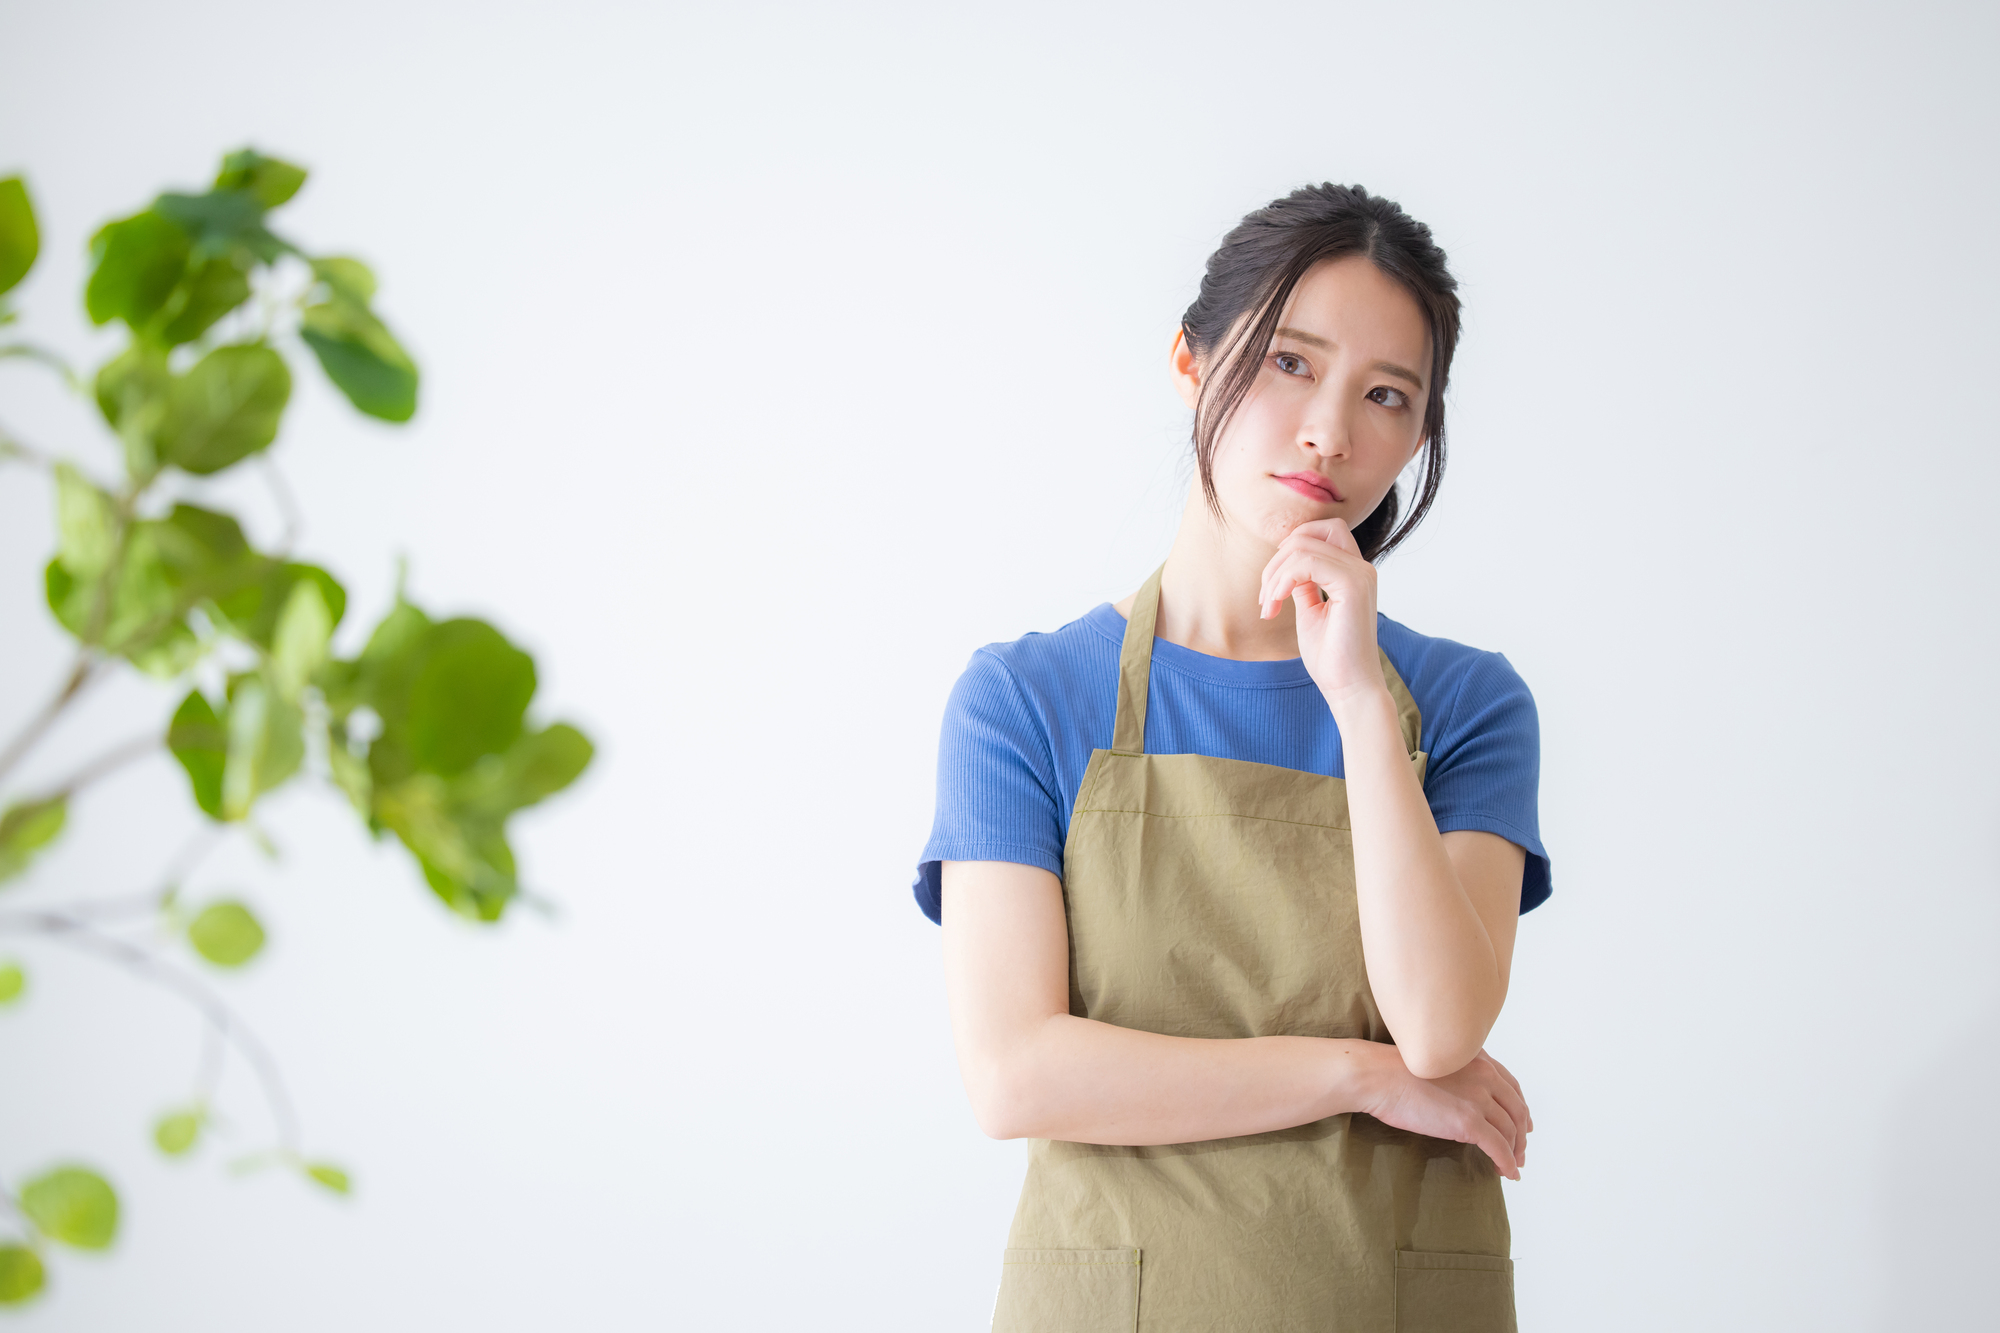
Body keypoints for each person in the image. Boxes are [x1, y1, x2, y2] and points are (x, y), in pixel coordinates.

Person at [914, 183, 1550, 1332]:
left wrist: (1356, 698)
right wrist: (1360, 1076)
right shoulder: (1021, 700)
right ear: (1190, 360)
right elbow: (1015, 1073)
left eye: (1386, 396)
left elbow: (1440, 1028)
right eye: (1288, 363)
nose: (1329, 431)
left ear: (1416, 436)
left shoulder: (1459, 705)